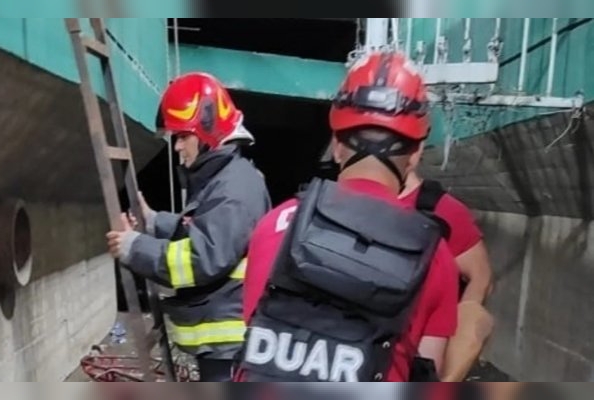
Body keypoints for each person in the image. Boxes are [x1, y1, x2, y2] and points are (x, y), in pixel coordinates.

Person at [235, 50, 459, 382]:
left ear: (337, 146)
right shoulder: (434, 256)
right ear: (414, 156)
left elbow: (256, 332)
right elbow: (428, 368)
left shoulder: (277, 225)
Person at [106, 72, 271, 381]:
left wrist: (134, 248)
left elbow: (202, 258)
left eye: (183, 136)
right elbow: (203, 228)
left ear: (208, 128)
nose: (177, 147)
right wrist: (153, 220)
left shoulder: (233, 188)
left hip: (228, 349)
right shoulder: (227, 179)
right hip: (223, 345)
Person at [399, 160, 495, 382]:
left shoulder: (441, 210)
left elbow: (480, 278)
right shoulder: (346, 201)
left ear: (415, 151)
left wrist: (453, 350)